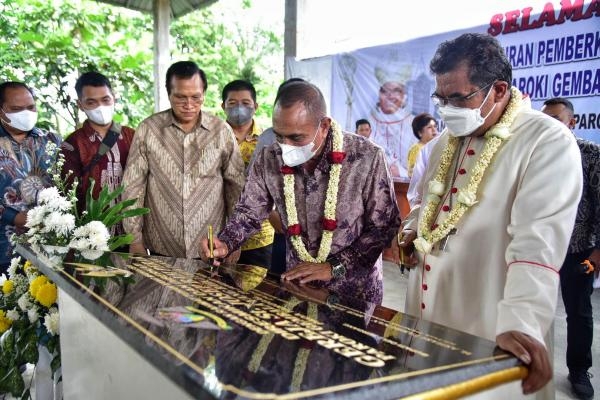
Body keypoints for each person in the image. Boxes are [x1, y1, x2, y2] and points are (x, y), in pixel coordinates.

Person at [399, 33, 582, 398]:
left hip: (487, 317)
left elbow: (538, 245)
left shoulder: (546, 142)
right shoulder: (443, 143)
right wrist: (410, 228)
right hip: (425, 311)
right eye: (442, 98)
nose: (447, 109)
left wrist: (523, 324)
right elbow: (429, 205)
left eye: (458, 97)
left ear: (498, 90)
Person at [200, 81, 400, 304]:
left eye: (296, 138)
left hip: (354, 292)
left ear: (323, 126)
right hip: (298, 288)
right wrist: (225, 243)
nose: (285, 147)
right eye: (279, 136)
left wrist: (334, 267)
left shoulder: (366, 158)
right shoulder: (270, 158)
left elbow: (384, 225)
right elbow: (249, 212)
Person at [122, 61, 245, 258]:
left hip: (211, 248)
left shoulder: (221, 131)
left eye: (196, 97)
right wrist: (134, 239)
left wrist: (235, 241)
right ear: (168, 93)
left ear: (204, 93)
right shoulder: (148, 130)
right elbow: (133, 186)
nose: (188, 105)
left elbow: (236, 187)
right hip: (161, 247)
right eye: (180, 97)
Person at [542, 97, 598, 400]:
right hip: (540, 247)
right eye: (544, 119)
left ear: (572, 122)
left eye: (556, 119)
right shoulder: (535, 155)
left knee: (578, 312)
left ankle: (578, 370)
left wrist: (597, 252)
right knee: (534, 306)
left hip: (578, 248)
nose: (549, 125)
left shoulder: (590, 154)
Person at [61, 71, 135, 236]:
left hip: (130, 231)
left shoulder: (132, 136)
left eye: (105, 99)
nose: (100, 106)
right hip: (92, 234)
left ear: (113, 98)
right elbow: (69, 194)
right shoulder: (72, 144)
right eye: (91, 102)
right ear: (80, 105)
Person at [0, 82, 61, 272]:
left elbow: (68, 184)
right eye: (16, 109)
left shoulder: (51, 140)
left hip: (50, 247)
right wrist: (14, 217)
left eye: (31, 107)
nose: (25, 113)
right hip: (5, 248)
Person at [221, 79, 274, 268]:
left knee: (258, 294)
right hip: (222, 236)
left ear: (256, 106)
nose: (239, 108)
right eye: (232, 103)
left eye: (245, 103)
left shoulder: (270, 140)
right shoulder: (212, 138)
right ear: (223, 106)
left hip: (260, 236)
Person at [369, 65, 417, 183]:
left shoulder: (414, 123)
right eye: (385, 91)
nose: (390, 96)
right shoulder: (368, 122)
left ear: (403, 95)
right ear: (379, 94)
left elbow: (421, 165)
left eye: (396, 91)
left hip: (403, 189)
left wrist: (400, 172)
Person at [407, 113, 438, 178]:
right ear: (420, 133)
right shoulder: (416, 149)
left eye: (435, 126)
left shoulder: (434, 147)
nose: (434, 130)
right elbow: (413, 174)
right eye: (429, 127)